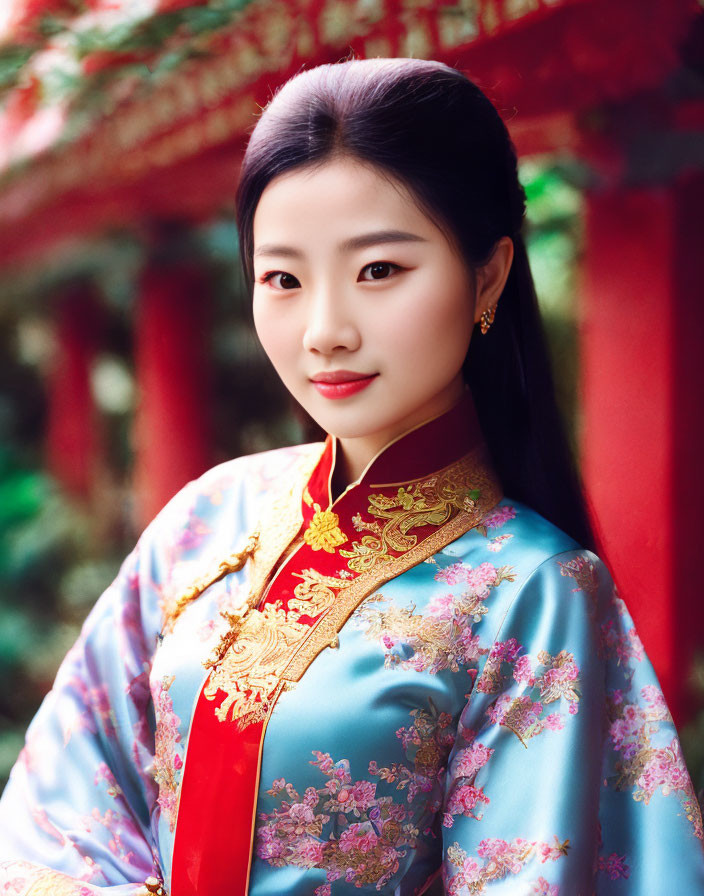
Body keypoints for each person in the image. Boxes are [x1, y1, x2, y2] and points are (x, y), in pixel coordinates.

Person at [0, 56, 702, 896]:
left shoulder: (536, 593)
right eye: (283, 280)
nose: (325, 331)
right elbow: (65, 792)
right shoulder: (207, 518)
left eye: (379, 271)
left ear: (488, 274)